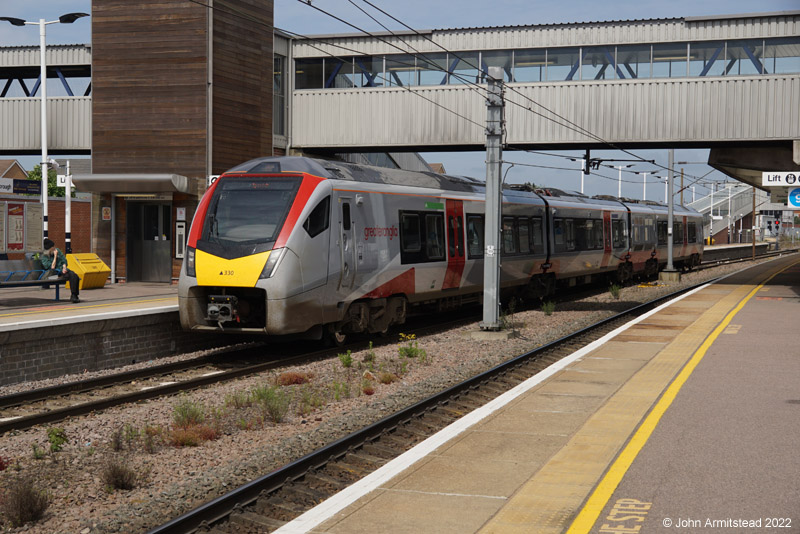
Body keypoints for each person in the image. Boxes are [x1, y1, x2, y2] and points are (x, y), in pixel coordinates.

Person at [39, 239, 81, 303]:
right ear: (49, 249)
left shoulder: (57, 250)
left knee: (74, 275)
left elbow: (64, 261)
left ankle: (74, 295)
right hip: (52, 276)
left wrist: (64, 268)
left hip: (62, 272)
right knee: (72, 276)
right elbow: (52, 267)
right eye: (52, 248)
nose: (54, 248)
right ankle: (74, 296)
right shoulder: (44, 257)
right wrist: (55, 256)